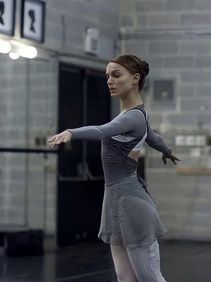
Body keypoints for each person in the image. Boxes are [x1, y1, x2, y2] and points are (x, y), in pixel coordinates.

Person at [48, 54, 180, 282]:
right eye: (107, 76)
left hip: (131, 201)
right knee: (125, 278)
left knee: (149, 277)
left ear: (135, 79)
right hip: (115, 200)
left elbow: (102, 131)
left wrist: (72, 132)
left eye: (116, 75)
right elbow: (154, 137)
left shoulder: (133, 118)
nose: (109, 80)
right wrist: (167, 152)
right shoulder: (137, 115)